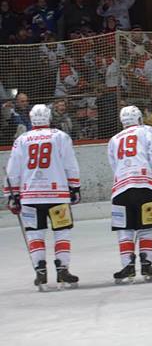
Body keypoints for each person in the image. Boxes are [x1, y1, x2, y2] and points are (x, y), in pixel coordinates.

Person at [3, 104, 81, 290]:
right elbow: (71, 164)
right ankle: (63, 268)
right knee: (62, 231)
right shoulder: (60, 137)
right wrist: (75, 187)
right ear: (48, 117)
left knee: (35, 233)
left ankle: (40, 270)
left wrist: (11, 194)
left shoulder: (22, 139)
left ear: (31, 118)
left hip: (30, 195)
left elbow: (13, 169)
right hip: (57, 194)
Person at [107, 106, 152, 283]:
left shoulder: (114, 139)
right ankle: (146, 263)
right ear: (139, 118)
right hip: (144, 185)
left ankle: (127, 265)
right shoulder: (147, 131)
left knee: (124, 228)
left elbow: (113, 163)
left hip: (121, 187)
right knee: (146, 225)